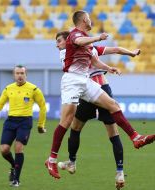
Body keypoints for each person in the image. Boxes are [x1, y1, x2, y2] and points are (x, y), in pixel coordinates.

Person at [45, 10, 155, 181]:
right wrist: (98, 38)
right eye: (88, 19)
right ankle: (51, 160)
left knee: (113, 105)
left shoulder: (87, 43)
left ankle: (136, 137)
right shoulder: (74, 35)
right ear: (82, 20)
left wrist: (109, 68)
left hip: (86, 80)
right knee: (67, 122)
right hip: (72, 81)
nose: (91, 21)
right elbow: (80, 41)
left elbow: (94, 60)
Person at [55, 31, 141, 189]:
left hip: (88, 91)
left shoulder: (71, 51)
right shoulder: (93, 48)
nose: (57, 44)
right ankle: (120, 172)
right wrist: (131, 53)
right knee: (113, 133)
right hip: (103, 88)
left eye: (59, 41)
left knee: (75, 127)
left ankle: (72, 162)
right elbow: (115, 49)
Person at [0, 65, 47, 187]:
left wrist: (40, 125)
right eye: (17, 73)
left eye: (22, 73)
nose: (20, 75)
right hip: (10, 121)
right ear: (14, 75)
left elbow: (42, 107)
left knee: (18, 148)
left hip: (25, 122)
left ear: (26, 75)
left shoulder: (34, 89)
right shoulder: (8, 89)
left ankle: (16, 179)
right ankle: (13, 165)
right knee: (4, 150)